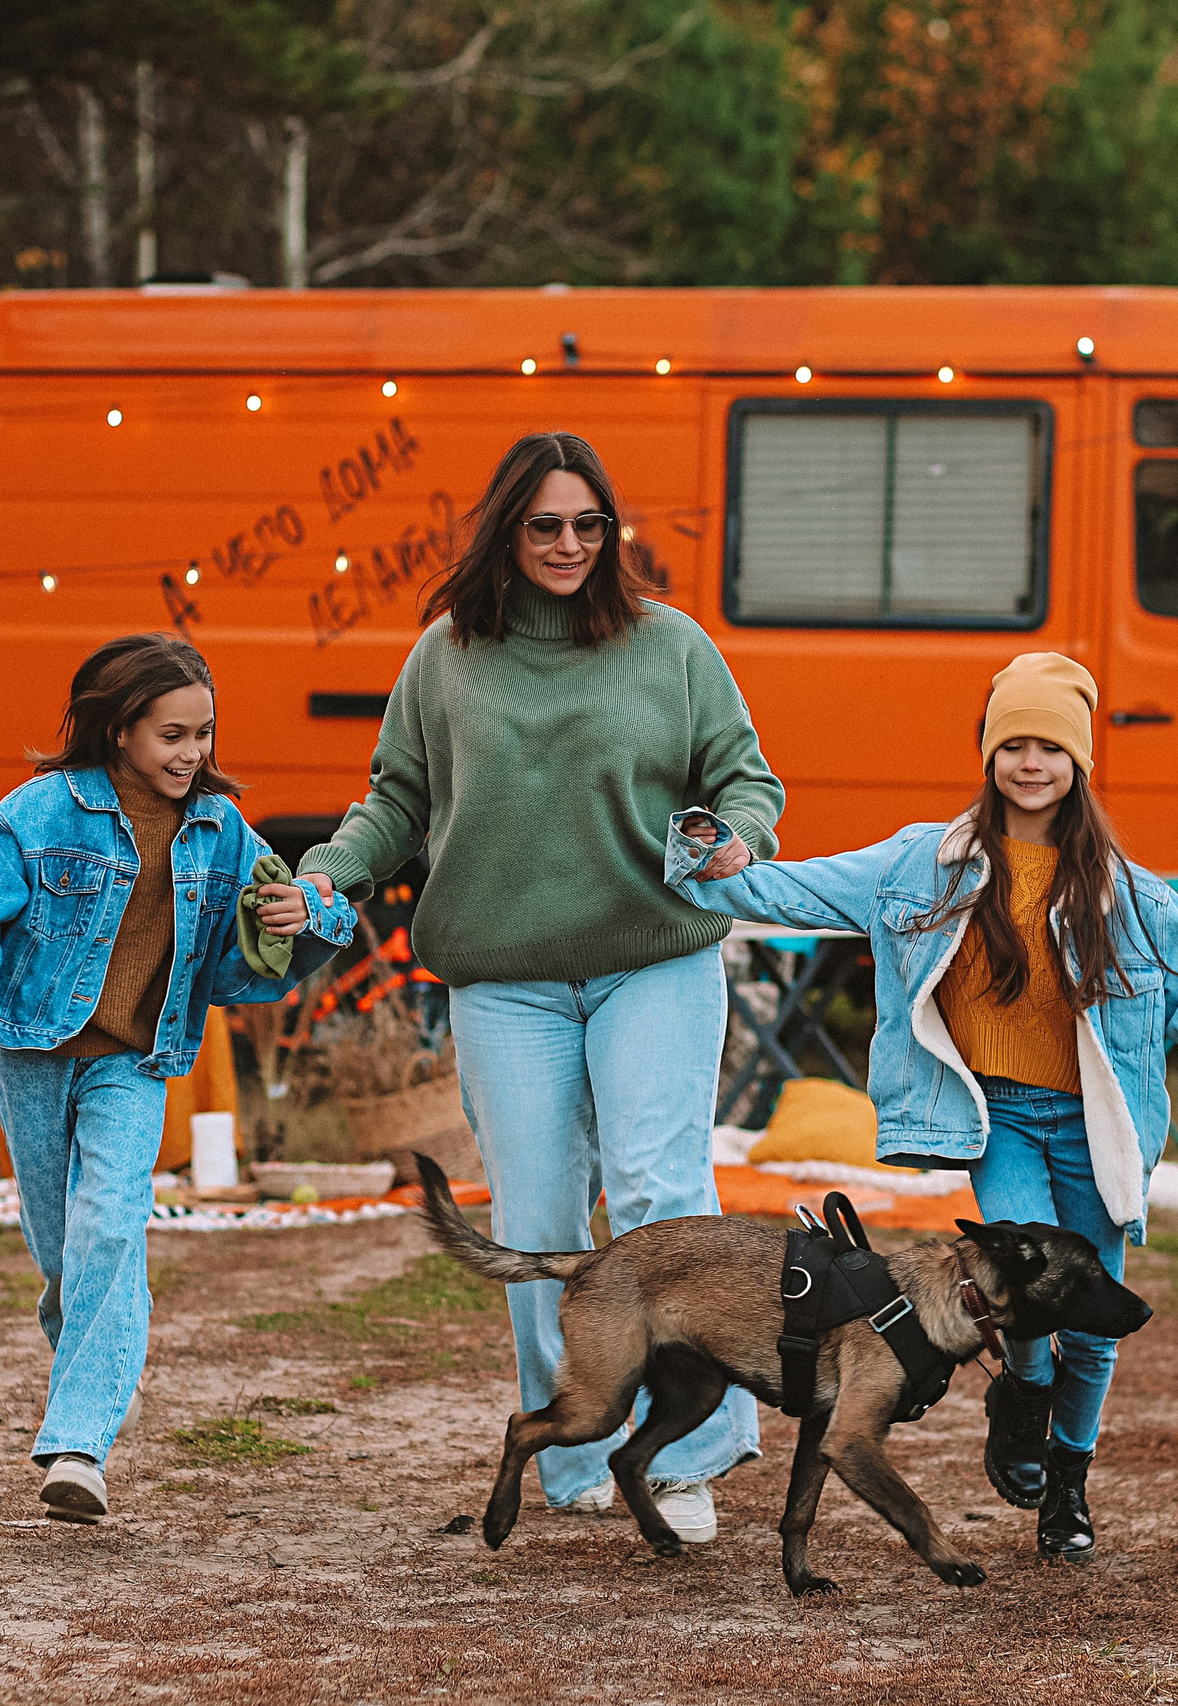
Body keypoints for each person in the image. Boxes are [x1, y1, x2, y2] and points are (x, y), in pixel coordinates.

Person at [667, 652, 1178, 1563]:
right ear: (987, 753)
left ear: (1081, 762)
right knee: (1024, 1288)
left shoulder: (1130, 900)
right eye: (1013, 743)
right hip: (1002, 1119)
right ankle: (1021, 1391)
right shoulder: (925, 864)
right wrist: (727, 863)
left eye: (1050, 746)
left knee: (1094, 1309)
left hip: (1097, 1125)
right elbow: (802, 888)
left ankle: (1068, 1486)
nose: (1031, 763)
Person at [295, 431, 782, 1543]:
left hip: (652, 954)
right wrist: (328, 874)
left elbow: (744, 775)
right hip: (505, 978)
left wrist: (737, 836)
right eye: (546, 524)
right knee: (537, 1219)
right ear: (507, 531)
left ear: (611, 531)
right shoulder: (447, 656)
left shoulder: (671, 646)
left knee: (659, 1194)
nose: (569, 543)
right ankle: (575, 1447)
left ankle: (684, 1455)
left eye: (588, 523)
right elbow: (397, 804)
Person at [0, 632, 356, 1524]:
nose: (193, 753)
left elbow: (248, 968)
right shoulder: (37, 817)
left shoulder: (221, 833)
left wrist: (308, 915)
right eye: (172, 735)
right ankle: (84, 1387)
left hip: (134, 1065)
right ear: (120, 729)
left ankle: (79, 1444)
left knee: (111, 1230)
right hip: (33, 1057)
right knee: (64, 1255)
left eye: (203, 733)